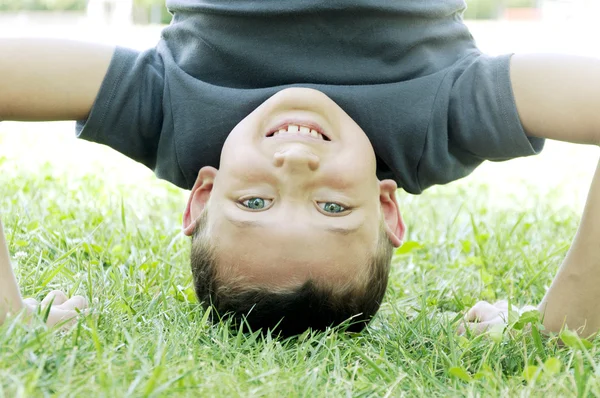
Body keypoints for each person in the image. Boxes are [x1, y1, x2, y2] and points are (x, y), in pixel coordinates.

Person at [1, 0, 600, 337]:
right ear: (386, 207)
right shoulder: (436, 125)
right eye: (332, 207)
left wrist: (10, 317)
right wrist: (562, 325)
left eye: (253, 201)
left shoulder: (174, 117)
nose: (293, 165)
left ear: (203, 195)